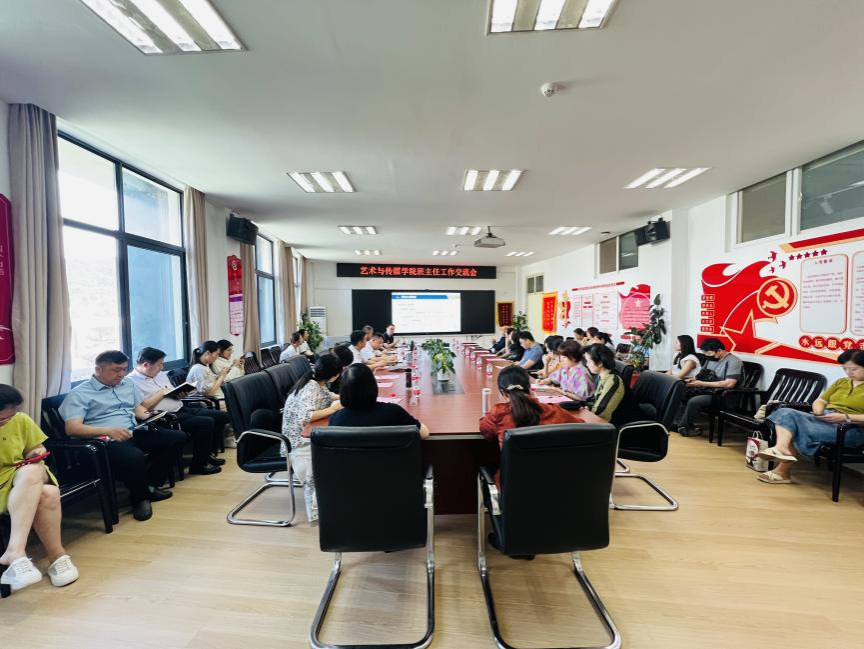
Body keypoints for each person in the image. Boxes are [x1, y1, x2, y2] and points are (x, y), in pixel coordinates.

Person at [59, 350, 186, 521]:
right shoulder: (80, 394)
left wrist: (151, 416)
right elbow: (72, 428)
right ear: (98, 370)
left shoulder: (127, 384)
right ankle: (140, 499)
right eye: (116, 370)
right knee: (133, 456)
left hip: (133, 430)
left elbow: (137, 409)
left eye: (124, 369)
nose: (121, 374)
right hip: (104, 441)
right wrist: (108, 430)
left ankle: (150, 485)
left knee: (176, 438)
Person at [0, 386, 79, 593]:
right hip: (7, 482)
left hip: (23, 474)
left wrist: (35, 453)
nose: (8, 421)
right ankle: (57, 556)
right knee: (48, 493)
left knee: (32, 470)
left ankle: (15, 551)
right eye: (2, 419)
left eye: (12, 416)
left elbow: (36, 447)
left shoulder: (20, 419)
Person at [757, 350, 864, 484]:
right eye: (845, 369)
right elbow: (821, 401)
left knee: (794, 428)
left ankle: (782, 471)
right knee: (785, 412)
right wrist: (819, 412)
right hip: (827, 419)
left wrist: (845, 417)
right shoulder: (841, 382)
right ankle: (781, 447)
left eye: (853, 369)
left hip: (851, 429)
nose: (849, 372)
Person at [128, 347, 225, 475]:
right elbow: (143, 407)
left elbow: (171, 392)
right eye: (159, 364)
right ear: (146, 365)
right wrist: (160, 393)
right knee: (205, 422)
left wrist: (179, 394)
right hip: (166, 417)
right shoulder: (131, 382)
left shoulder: (160, 375)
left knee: (220, 416)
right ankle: (199, 465)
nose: (162, 368)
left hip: (181, 407)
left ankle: (206, 455)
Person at [280, 355, 344, 522]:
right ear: (334, 376)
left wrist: (344, 398)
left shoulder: (315, 381)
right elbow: (306, 416)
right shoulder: (310, 387)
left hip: (304, 436)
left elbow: (327, 396)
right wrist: (333, 409)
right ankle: (321, 510)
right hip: (297, 442)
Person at [481, 366, 605, 448]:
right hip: (554, 477)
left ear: (502, 393)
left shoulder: (498, 412)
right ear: (529, 388)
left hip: (514, 479)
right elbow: (581, 427)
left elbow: (486, 432)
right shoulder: (553, 411)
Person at [329, 364, 430, 438]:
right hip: (390, 461)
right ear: (372, 386)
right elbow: (424, 433)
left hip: (351, 462)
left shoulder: (336, 419)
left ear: (343, 390)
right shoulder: (393, 412)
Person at [676, 338, 742, 437]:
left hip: (723, 395)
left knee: (694, 401)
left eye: (710, 354)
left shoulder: (734, 361)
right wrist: (693, 380)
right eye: (705, 354)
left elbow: (729, 384)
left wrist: (702, 383)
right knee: (679, 392)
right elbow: (701, 375)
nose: (708, 356)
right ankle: (679, 424)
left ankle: (685, 427)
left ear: (719, 350)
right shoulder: (711, 359)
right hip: (707, 390)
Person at [583, 344, 643, 427]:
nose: (586, 364)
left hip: (620, 425)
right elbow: (597, 401)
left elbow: (600, 412)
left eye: (589, 361)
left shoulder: (613, 380)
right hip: (610, 421)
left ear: (600, 363)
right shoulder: (602, 376)